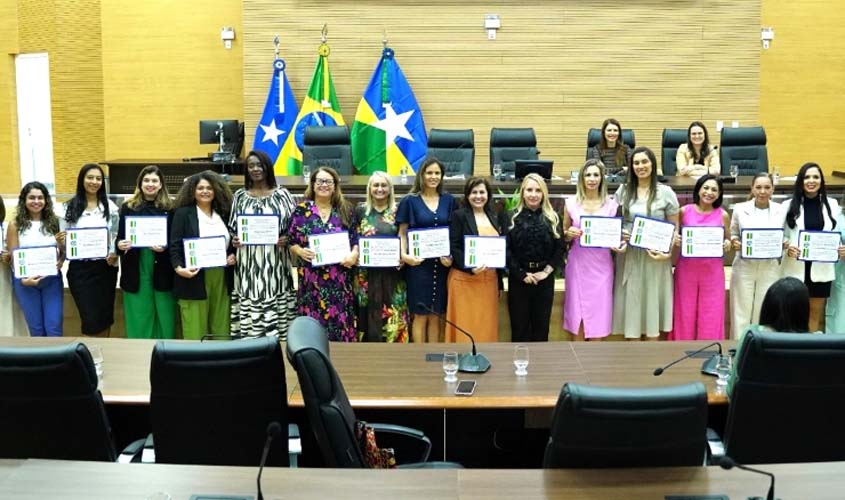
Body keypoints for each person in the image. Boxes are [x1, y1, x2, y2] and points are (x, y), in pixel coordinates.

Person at [613, 147, 680, 340]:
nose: (640, 166)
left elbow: (674, 227)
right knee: (632, 305)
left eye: (644, 162)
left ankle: (651, 358)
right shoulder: (623, 191)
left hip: (655, 258)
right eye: (636, 163)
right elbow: (615, 222)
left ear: (653, 164)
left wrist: (667, 252)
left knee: (652, 306)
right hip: (630, 256)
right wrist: (620, 236)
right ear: (631, 167)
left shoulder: (666, 192)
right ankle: (633, 360)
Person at [229, 150, 297, 338]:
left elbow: (295, 227)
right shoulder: (240, 196)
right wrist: (234, 237)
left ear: (268, 167)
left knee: (276, 294)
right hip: (248, 262)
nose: (256, 169)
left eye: (260, 165)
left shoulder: (283, 194)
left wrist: (287, 238)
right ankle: (250, 343)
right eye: (251, 166)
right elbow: (233, 227)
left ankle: (278, 342)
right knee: (251, 295)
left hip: (275, 260)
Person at [289, 166, 359, 342]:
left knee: (340, 324)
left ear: (335, 186)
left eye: (328, 182)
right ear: (313, 185)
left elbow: (355, 241)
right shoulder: (301, 210)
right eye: (319, 181)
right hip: (311, 280)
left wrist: (353, 255)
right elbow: (291, 240)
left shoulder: (346, 209)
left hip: (339, 279)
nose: (324, 185)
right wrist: (299, 251)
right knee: (313, 327)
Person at [170, 170, 236, 340]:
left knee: (221, 327)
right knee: (195, 330)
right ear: (192, 190)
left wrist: (232, 255)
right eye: (200, 188)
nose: (205, 191)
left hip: (221, 276)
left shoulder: (224, 212)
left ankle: (221, 364)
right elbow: (175, 245)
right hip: (193, 277)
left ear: (216, 190)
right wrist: (179, 268)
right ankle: (196, 365)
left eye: (209, 188)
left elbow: (233, 241)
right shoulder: (183, 213)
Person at [396, 158, 456, 343]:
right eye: (429, 173)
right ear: (421, 175)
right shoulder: (409, 201)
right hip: (418, 267)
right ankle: (419, 358)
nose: (433, 177)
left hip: (442, 266)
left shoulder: (449, 200)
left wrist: (451, 255)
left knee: (437, 314)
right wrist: (404, 256)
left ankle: (434, 357)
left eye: (437, 173)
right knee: (420, 315)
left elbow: (455, 233)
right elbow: (402, 233)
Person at [563, 159, 624, 341]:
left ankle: (594, 365)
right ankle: (576, 365)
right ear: (581, 178)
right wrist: (568, 234)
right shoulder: (571, 203)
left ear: (602, 178)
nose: (592, 179)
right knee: (578, 317)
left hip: (602, 267)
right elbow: (564, 235)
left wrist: (619, 244)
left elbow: (617, 235)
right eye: (588, 175)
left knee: (598, 316)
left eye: (596, 175)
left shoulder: (612, 205)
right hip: (578, 265)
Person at [115, 165, 177, 339]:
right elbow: (119, 238)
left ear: (161, 184)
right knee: (139, 312)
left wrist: (165, 247)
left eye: (154, 180)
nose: (150, 184)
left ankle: (165, 353)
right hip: (136, 265)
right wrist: (120, 245)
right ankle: (140, 353)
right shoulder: (128, 206)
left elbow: (175, 240)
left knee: (165, 312)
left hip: (163, 265)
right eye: (146, 180)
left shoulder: (171, 207)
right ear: (140, 183)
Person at [58, 164, 119, 337]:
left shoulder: (111, 207)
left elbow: (115, 236)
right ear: (82, 180)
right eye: (90, 177)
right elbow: (64, 247)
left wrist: (114, 254)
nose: (94, 182)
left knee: (106, 317)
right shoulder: (68, 208)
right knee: (90, 319)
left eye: (98, 178)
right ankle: (89, 360)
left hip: (105, 269)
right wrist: (62, 243)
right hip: (80, 271)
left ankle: (104, 354)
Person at [783, 162, 844, 332]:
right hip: (795, 266)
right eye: (807, 177)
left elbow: (835, 232)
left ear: (821, 181)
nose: (811, 181)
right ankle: (791, 349)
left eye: (815, 177)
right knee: (793, 313)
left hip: (821, 267)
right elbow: (783, 235)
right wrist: (787, 247)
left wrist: (839, 248)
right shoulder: (788, 205)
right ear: (800, 181)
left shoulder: (832, 205)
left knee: (814, 313)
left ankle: (808, 350)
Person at [670, 175, 731, 340]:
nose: (709, 192)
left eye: (714, 190)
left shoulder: (723, 215)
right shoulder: (684, 211)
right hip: (687, 270)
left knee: (711, 313)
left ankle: (709, 352)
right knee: (684, 312)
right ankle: (680, 350)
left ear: (719, 194)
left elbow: (729, 240)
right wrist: (675, 238)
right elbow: (674, 235)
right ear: (698, 189)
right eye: (706, 188)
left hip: (712, 272)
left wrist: (727, 243)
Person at [447, 177, 508, 343]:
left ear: (488, 195)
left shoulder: (495, 216)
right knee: (465, 328)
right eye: (474, 192)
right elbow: (454, 247)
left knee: (485, 327)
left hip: (489, 283)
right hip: (465, 281)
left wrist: (500, 282)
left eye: (482, 192)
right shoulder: (459, 216)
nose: (478, 196)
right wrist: (470, 268)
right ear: (467, 195)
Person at [728, 277, 811, 397]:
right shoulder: (820, 343)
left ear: (767, 306)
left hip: (754, 413)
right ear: (805, 311)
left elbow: (732, 390)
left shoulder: (753, 335)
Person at [506, 173, 564, 342]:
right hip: (519, 280)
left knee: (541, 329)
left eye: (538, 190)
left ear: (544, 193)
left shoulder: (553, 218)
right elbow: (506, 250)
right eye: (529, 190)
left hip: (544, 281)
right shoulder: (510, 217)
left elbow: (559, 249)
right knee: (519, 329)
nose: (533, 194)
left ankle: (540, 368)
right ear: (522, 192)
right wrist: (522, 274)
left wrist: (546, 272)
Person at [354, 172, 409, 342]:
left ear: (390, 189)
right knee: (367, 314)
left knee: (393, 314)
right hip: (366, 275)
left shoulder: (399, 211)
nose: (379, 189)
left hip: (392, 274)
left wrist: (402, 255)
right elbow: (353, 238)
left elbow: (403, 236)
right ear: (369, 188)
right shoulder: (360, 210)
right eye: (376, 185)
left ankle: (395, 358)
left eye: (384, 185)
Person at [3, 182, 64, 336]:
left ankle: (58, 360)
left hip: (51, 280)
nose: (36, 201)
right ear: (24, 200)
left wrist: (61, 259)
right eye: (31, 198)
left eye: (40, 198)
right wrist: (24, 279)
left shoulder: (55, 222)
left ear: (46, 200)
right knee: (36, 328)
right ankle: (41, 360)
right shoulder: (15, 225)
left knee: (54, 326)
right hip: (25, 282)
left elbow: (63, 252)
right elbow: (14, 257)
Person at [729, 173, 785, 338]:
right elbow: (733, 233)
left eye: (767, 187)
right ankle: (738, 349)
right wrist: (734, 241)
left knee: (764, 311)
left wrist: (785, 242)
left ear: (773, 189)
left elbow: (785, 234)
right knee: (741, 312)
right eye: (758, 187)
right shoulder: (740, 208)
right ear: (752, 188)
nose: (762, 191)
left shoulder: (781, 210)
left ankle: (760, 350)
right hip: (744, 266)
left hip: (770, 267)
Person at [0, 195, 28, 336]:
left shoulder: (6, 227)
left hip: (3, 276)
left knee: (5, 309)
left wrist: (8, 257)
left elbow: (13, 253)